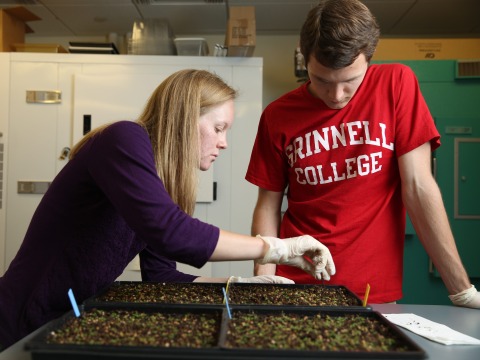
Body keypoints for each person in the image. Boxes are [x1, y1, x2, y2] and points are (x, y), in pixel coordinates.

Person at [0, 69, 336, 350]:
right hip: (23, 319)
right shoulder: (123, 139)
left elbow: (161, 276)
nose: (224, 143)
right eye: (218, 128)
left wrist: (238, 284)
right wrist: (276, 248)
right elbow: (172, 233)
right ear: (185, 118)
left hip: (68, 320)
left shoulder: (162, 184)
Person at [246, 0, 479, 308]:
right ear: (306, 60)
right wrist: (265, 280)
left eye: (349, 82)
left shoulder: (396, 84)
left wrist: (461, 290)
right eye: (322, 80)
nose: (336, 95)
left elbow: (418, 187)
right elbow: (268, 204)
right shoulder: (278, 115)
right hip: (296, 284)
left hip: (372, 289)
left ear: (368, 59)